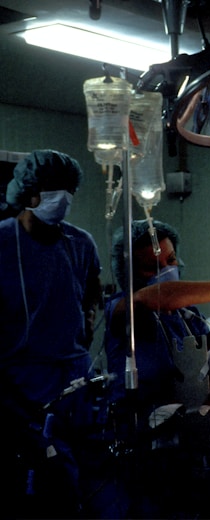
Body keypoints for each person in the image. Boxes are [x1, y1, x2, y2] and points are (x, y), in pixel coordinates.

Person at [0, 150, 103, 517]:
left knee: (88, 476)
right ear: (28, 192)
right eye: (52, 188)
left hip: (74, 376)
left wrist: (85, 326)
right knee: (41, 480)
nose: (64, 196)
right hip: (20, 381)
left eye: (68, 189)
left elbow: (91, 294)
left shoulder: (80, 244)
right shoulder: (3, 242)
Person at [104, 219, 210, 427]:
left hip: (185, 424)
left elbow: (208, 372)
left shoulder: (187, 315)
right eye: (152, 268)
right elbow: (156, 297)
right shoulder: (121, 308)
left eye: (171, 260)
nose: (166, 270)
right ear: (128, 274)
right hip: (138, 428)